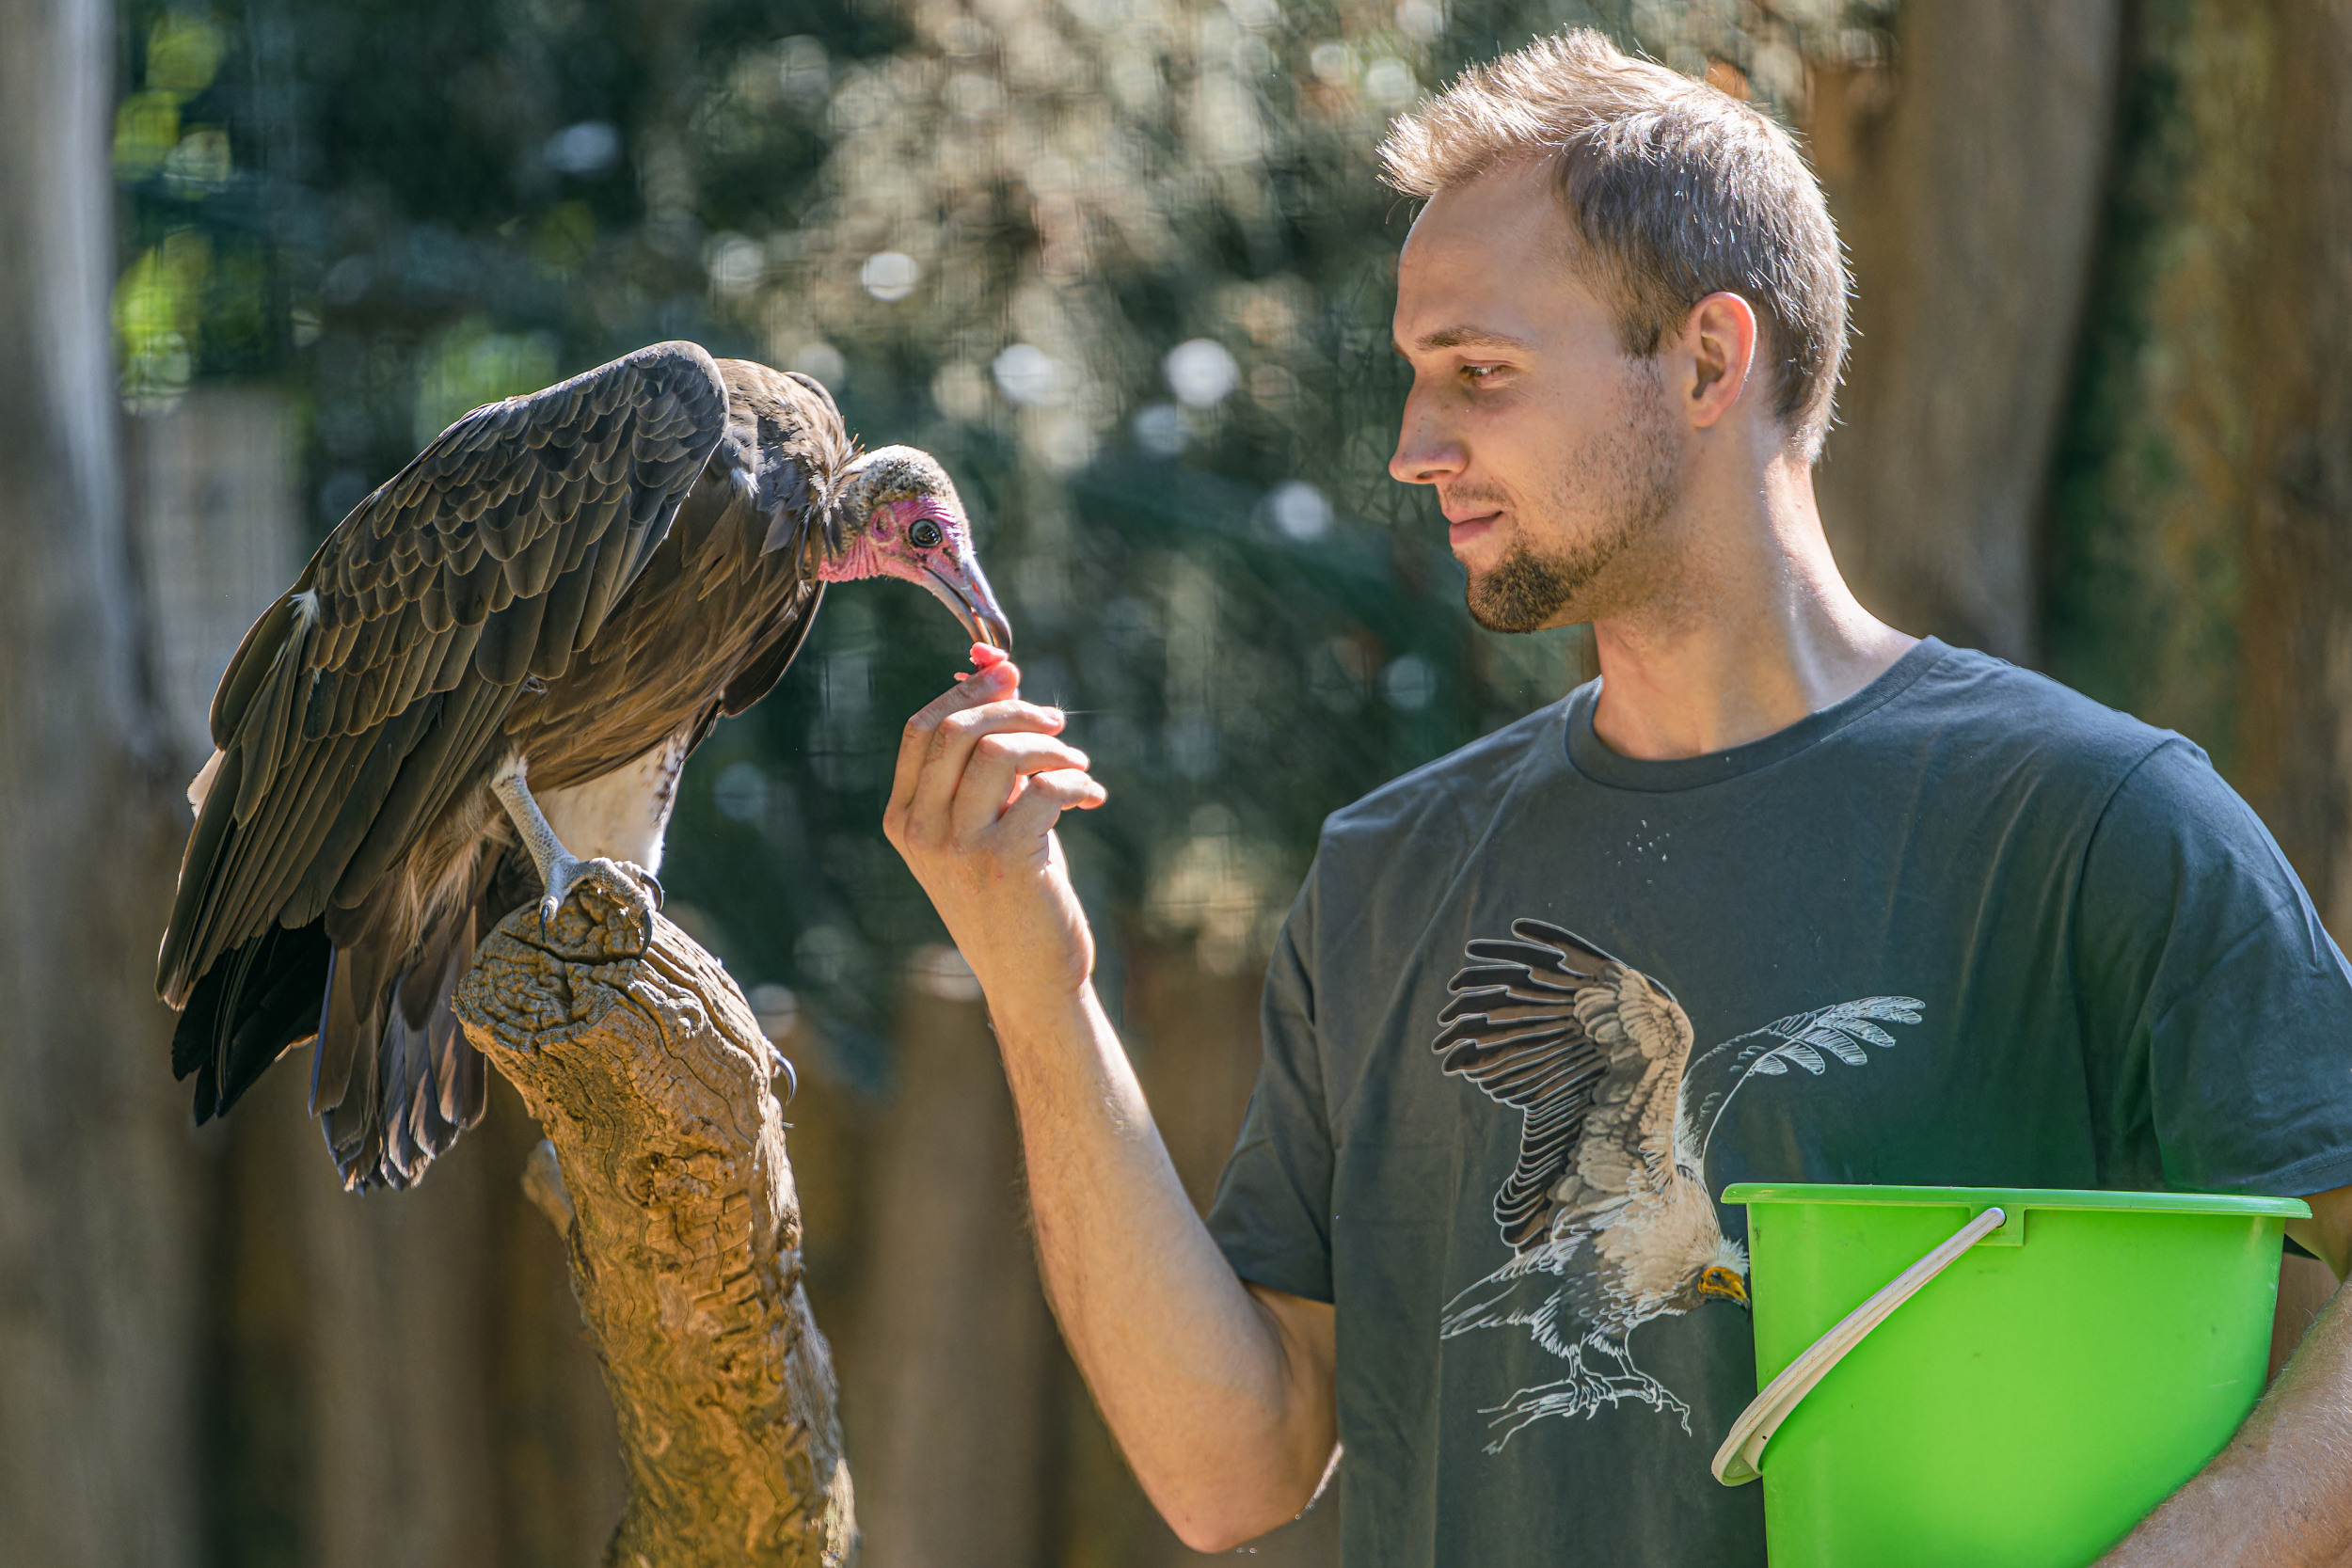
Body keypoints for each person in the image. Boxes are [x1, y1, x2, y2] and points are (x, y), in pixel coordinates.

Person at [882, 28, 2352, 1566]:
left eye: (1483, 374)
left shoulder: (2097, 824)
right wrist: (1033, 981)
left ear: (1711, 359)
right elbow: (1230, 1469)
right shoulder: (1388, 873)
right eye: (1415, 377)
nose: (1412, 447)